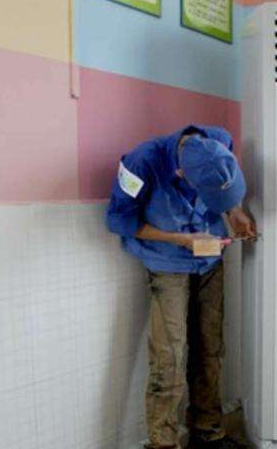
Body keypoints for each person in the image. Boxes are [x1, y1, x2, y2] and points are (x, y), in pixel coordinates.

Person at [106, 125, 256, 449]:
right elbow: (119, 221)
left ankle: (208, 432)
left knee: (210, 347)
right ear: (180, 173)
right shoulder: (140, 163)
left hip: (210, 260)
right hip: (167, 264)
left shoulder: (220, 141)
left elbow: (223, 187)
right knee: (169, 356)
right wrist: (179, 239)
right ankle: (163, 442)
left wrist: (234, 210)